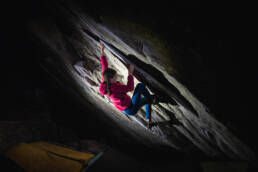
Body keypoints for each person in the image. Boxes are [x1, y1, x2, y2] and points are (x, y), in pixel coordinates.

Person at [98, 43, 159, 128]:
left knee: (148, 99)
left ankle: (149, 119)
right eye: (115, 77)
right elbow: (130, 88)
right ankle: (152, 100)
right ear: (111, 79)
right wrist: (130, 73)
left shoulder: (105, 82)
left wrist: (102, 50)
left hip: (127, 108)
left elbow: (104, 65)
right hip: (131, 108)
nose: (117, 77)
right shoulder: (115, 88)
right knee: (140, 86)